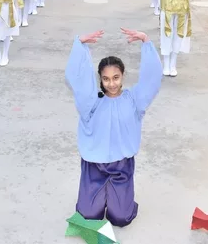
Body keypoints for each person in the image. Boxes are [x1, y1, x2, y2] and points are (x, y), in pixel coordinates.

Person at [65, 28, 162, 227]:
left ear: (123, 76)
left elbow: (151, 80)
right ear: (100, 79)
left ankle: (119, 200)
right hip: (94, 164)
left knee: (120, 218)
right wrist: (79, 45)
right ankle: (96, 199)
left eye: (116, 77)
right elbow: (78, 80)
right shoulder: (91, 103)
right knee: (88, 216)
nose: (111, 84)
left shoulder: (134, 100)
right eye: (106, 78)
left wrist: (146, 42)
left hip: (121, 165)